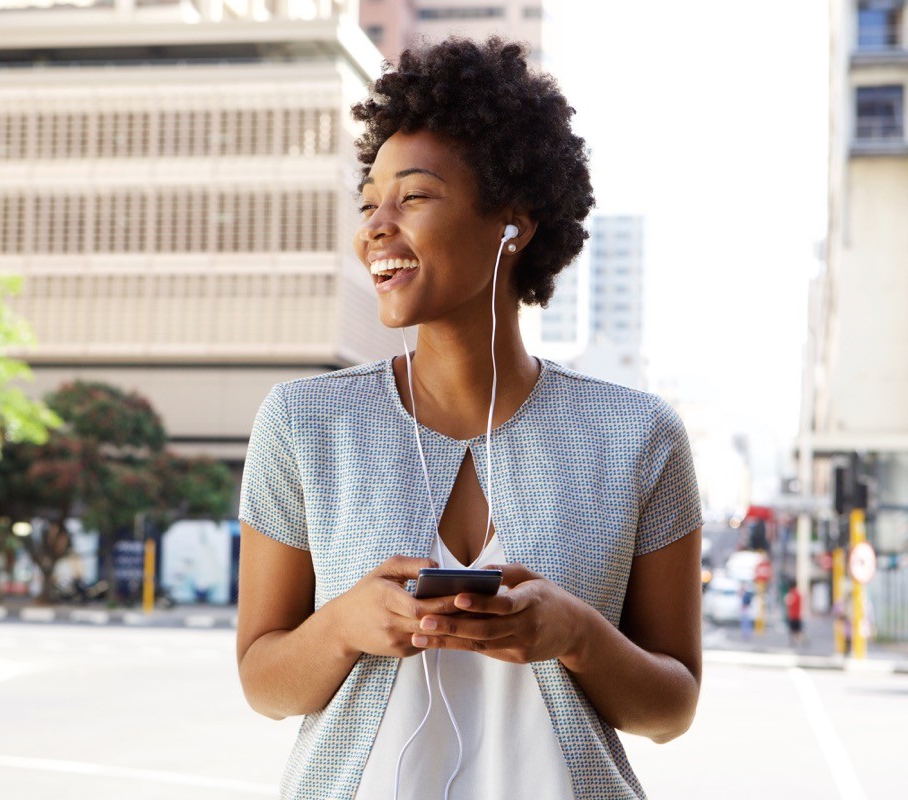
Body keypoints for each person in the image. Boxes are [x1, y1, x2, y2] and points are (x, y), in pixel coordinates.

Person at [236, 38, 703, 800]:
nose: (375, 227)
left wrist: (575, 634)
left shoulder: (639, 437)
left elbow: (671, 706)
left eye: (413, 197)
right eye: (369, 202)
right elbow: (265, 682)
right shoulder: (303, 424)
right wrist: (346, 625)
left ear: (512, 226)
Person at [784, 584, 805, 649]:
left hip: (793, 615)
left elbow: (788, 602)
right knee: (797, 630)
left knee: (793, 630)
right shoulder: (798, 594)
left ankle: (794, 642)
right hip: (797, 615)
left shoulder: (792, 594)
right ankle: (801, 640)